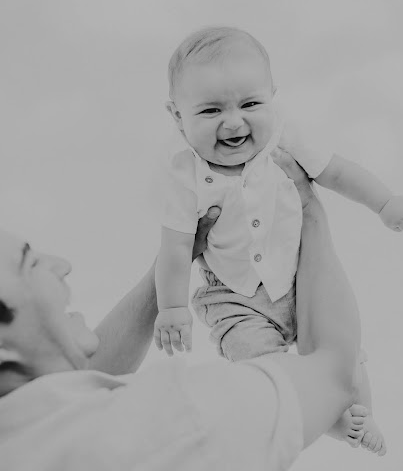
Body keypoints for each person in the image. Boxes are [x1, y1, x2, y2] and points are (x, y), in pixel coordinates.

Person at [0, 152, 362, 470]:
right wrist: (308, 209)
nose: (61, 265)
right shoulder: (173, 423)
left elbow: (70, 386)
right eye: (30, 264)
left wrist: (172, 264)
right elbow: (333, 373)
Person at [155, 26, 403, 456]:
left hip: (300, 279)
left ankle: (361, 412)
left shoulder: (285, 138)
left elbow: (337, 172)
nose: (234, 122)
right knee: (267, 367)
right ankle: (330, 424)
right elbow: (176, 248)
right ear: (177, 116)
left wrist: (383, 202)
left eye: (251, 103)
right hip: (235, 298)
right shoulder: (184, 176)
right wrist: (172, 307)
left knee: (344, 349)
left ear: (273, 97)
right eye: (210, 111)